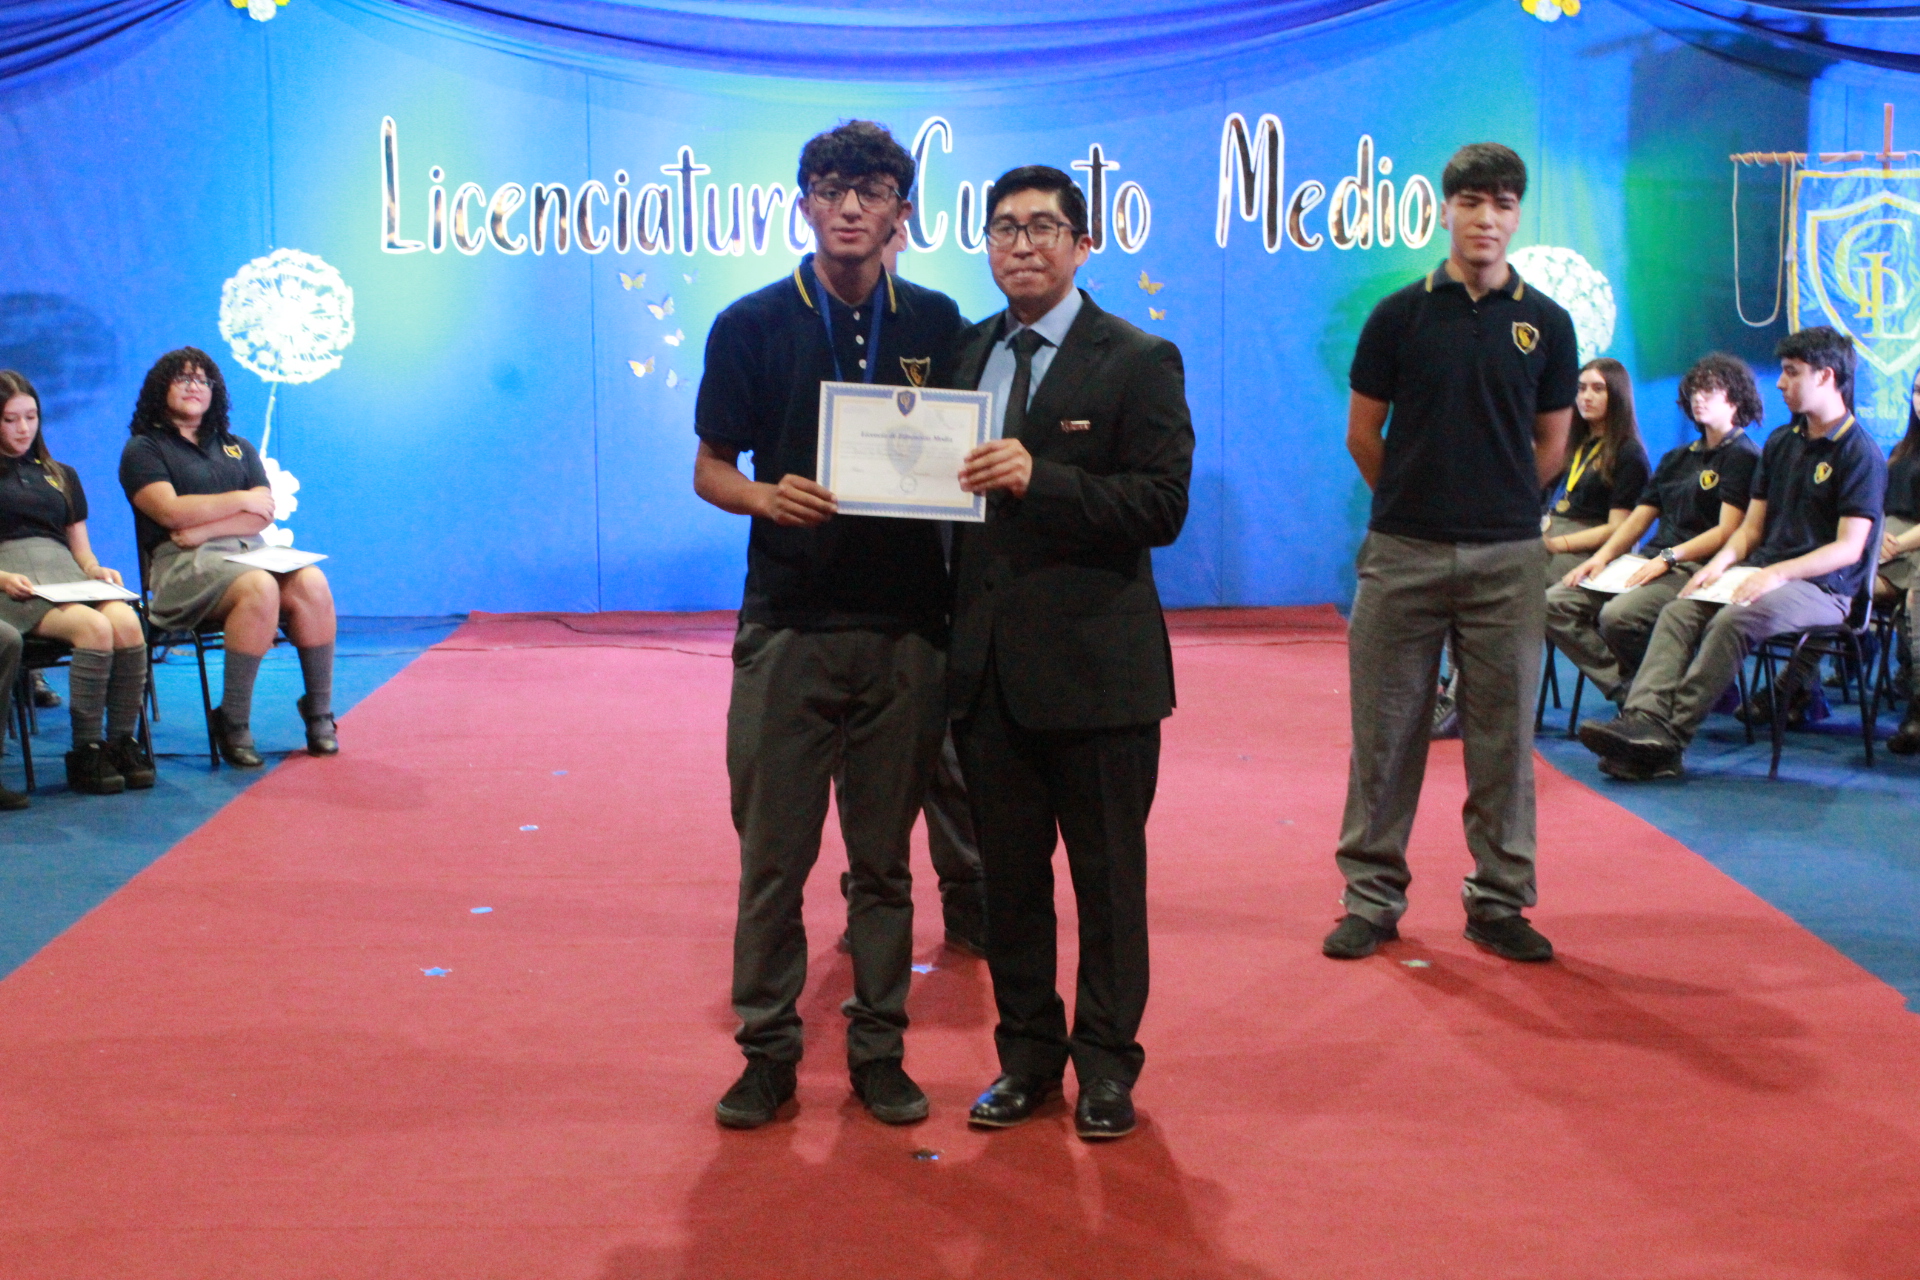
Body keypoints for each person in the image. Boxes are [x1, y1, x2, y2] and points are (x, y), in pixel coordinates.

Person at [693, 121, 963, 1131]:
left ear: (902, 211)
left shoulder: (939, 321)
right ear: (803, 203)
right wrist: (766, 498)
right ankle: (767, 1051)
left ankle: (878, 1050)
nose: (851, 207)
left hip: (906, 629)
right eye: (832, 188)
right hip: (789, 626)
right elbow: (710, 468)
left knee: (884, 864)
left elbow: (964, 455)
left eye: (873, 190)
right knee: (773, 860)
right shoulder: (750, 323)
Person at [946, 164, 1194, 1142]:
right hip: (988, 678)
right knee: (1009, 888)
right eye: (1005, 227)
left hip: (1100, 676)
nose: (1022, 244)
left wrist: (1039, 479)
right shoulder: (964, 354)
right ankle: (1026, 1061)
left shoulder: (1138, 358)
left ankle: (1107, 1068)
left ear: (1083, 244)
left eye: (1044, 226)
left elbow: (1162, 506)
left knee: (1108, 886)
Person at [1326, 142, 1576, 966]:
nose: (1486, 218)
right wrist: (1415, 499)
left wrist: (1497, 504)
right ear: (1445, 210)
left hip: (1509, 560)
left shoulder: (1550, 324)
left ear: (1517, 215)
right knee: (1385, 735)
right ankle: (1371, 899)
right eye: (1471, 201)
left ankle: (1499, 902)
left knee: (1503, 741)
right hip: (1402, 553)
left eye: (1502, 203)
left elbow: (1551, 445)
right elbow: (1364, 433)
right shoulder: (1398, 316)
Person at [1577, 326, 1885, 778]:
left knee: (1734, 620)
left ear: (1825, 376)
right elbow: (1750, 530)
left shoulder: (1859, 453)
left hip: (1824, 588)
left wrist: (1776, 574)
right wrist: (1718, 566)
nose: (1780, 383)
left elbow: (1848, 548)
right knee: (1681, 609)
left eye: (1791, 372)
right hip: (1759, 572)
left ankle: (1668, 738)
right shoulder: (1781, 443)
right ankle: (1642, 720)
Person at [119, 348, 339, 766]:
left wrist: (204, 528)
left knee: (311, 580)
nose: (194, 386)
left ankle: (319, 712)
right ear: (161, 388)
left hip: (247, 551)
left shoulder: (238, 447)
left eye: (202, 380)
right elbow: (170, 512)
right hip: (182, 566)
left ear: (214, 391)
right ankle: (233, 720)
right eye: (183, 378)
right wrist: (240, 499)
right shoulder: (144, 449)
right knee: (259, 586)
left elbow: (264, 514)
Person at [1545, 354, 1763, 719]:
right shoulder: (1677, 457)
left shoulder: (1743, 456)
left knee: (1618, 616)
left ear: (1736, 399)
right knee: (1554, 603)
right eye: (1694, 390)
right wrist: (1600, 558)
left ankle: (1654, 698)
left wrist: (1669, 557)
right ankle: (1631, 690)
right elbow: (1638, 520)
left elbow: (1729, 531)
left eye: (1709, 390)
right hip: (1650, 560)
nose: (1698, 398)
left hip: (1698, 567)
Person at [0, 370, 152, 797]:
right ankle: (86, 749)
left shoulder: (61, 474)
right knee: (94, 628)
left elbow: (80, 550)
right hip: (12, 581)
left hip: (65, 574)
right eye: (10, 419)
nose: (23, 428)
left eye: (31, 417)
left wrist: (96, 570)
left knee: (127, 623)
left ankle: (121, 741)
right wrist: (3, 578)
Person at [1540, 358, 1651, 585]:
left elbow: (1618, 528)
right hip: (1549, 534)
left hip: (1588, 550)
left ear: (1617, 395)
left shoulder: (1629, 453)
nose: (1586, 397)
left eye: (1598, 389)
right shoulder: (1572, 444)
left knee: (1522, 577)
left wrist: (1557, 543)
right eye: (1581, 389)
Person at [1877, 369, 1920, 753]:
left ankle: (1917, 704)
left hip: (1910, 550)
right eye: (1918, 391)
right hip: (1883, 550)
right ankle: (1800, 688)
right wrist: (1876, 540)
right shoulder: (1899, 451)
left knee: (1917, 597)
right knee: (1835, 585)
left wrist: (1896, 544)